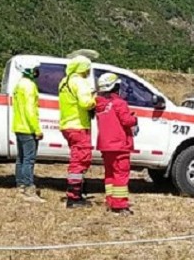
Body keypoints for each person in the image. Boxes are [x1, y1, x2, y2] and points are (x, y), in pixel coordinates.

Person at [95, 73, 138, 216]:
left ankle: (110, 200)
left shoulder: (100, 104)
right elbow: (126, 121)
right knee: (120, 174)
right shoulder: (119, 103)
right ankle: (119, 205)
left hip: (106, 145)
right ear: (115, 87)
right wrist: (134, 119)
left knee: (110, 174)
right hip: (119, 145)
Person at [58, 55, 96, 208]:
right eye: (87, 68)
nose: (88, 71)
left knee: (78, 158)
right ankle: (74, 197)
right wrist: (96, 99)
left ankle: (79, 189)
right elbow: (86, 103)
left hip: (67, 125)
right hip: (78, 125)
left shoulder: (64, 81)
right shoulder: (79, 82)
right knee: (80, 160)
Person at [12, 59, 46, 203]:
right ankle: (28, 189)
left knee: (21, 158)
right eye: (35, 68)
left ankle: (20, 185)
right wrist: (36, 129)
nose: (37, 71)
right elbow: (30, 110)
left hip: (19, 126)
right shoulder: (30, 86)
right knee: (29, 159)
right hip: (28, 127)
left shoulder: (19, 85)